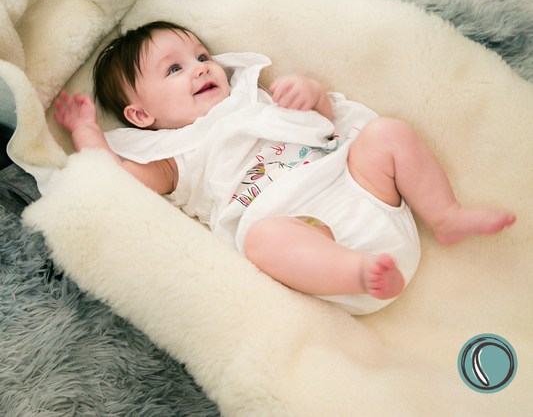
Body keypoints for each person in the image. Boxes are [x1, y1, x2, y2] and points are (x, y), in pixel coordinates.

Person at [54, 21, 516, 315]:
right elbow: (111, 181)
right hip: (308, 232)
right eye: (173, 70)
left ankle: (444, 215)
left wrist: (308, 93)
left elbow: (325, 121)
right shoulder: (176, 156)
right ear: (140, 116)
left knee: (387, 134)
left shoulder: (253, 98)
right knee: (263, 239)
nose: (199, 68)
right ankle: (356, 272)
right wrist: (85, 131)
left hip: (356, 185)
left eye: (200, 56)